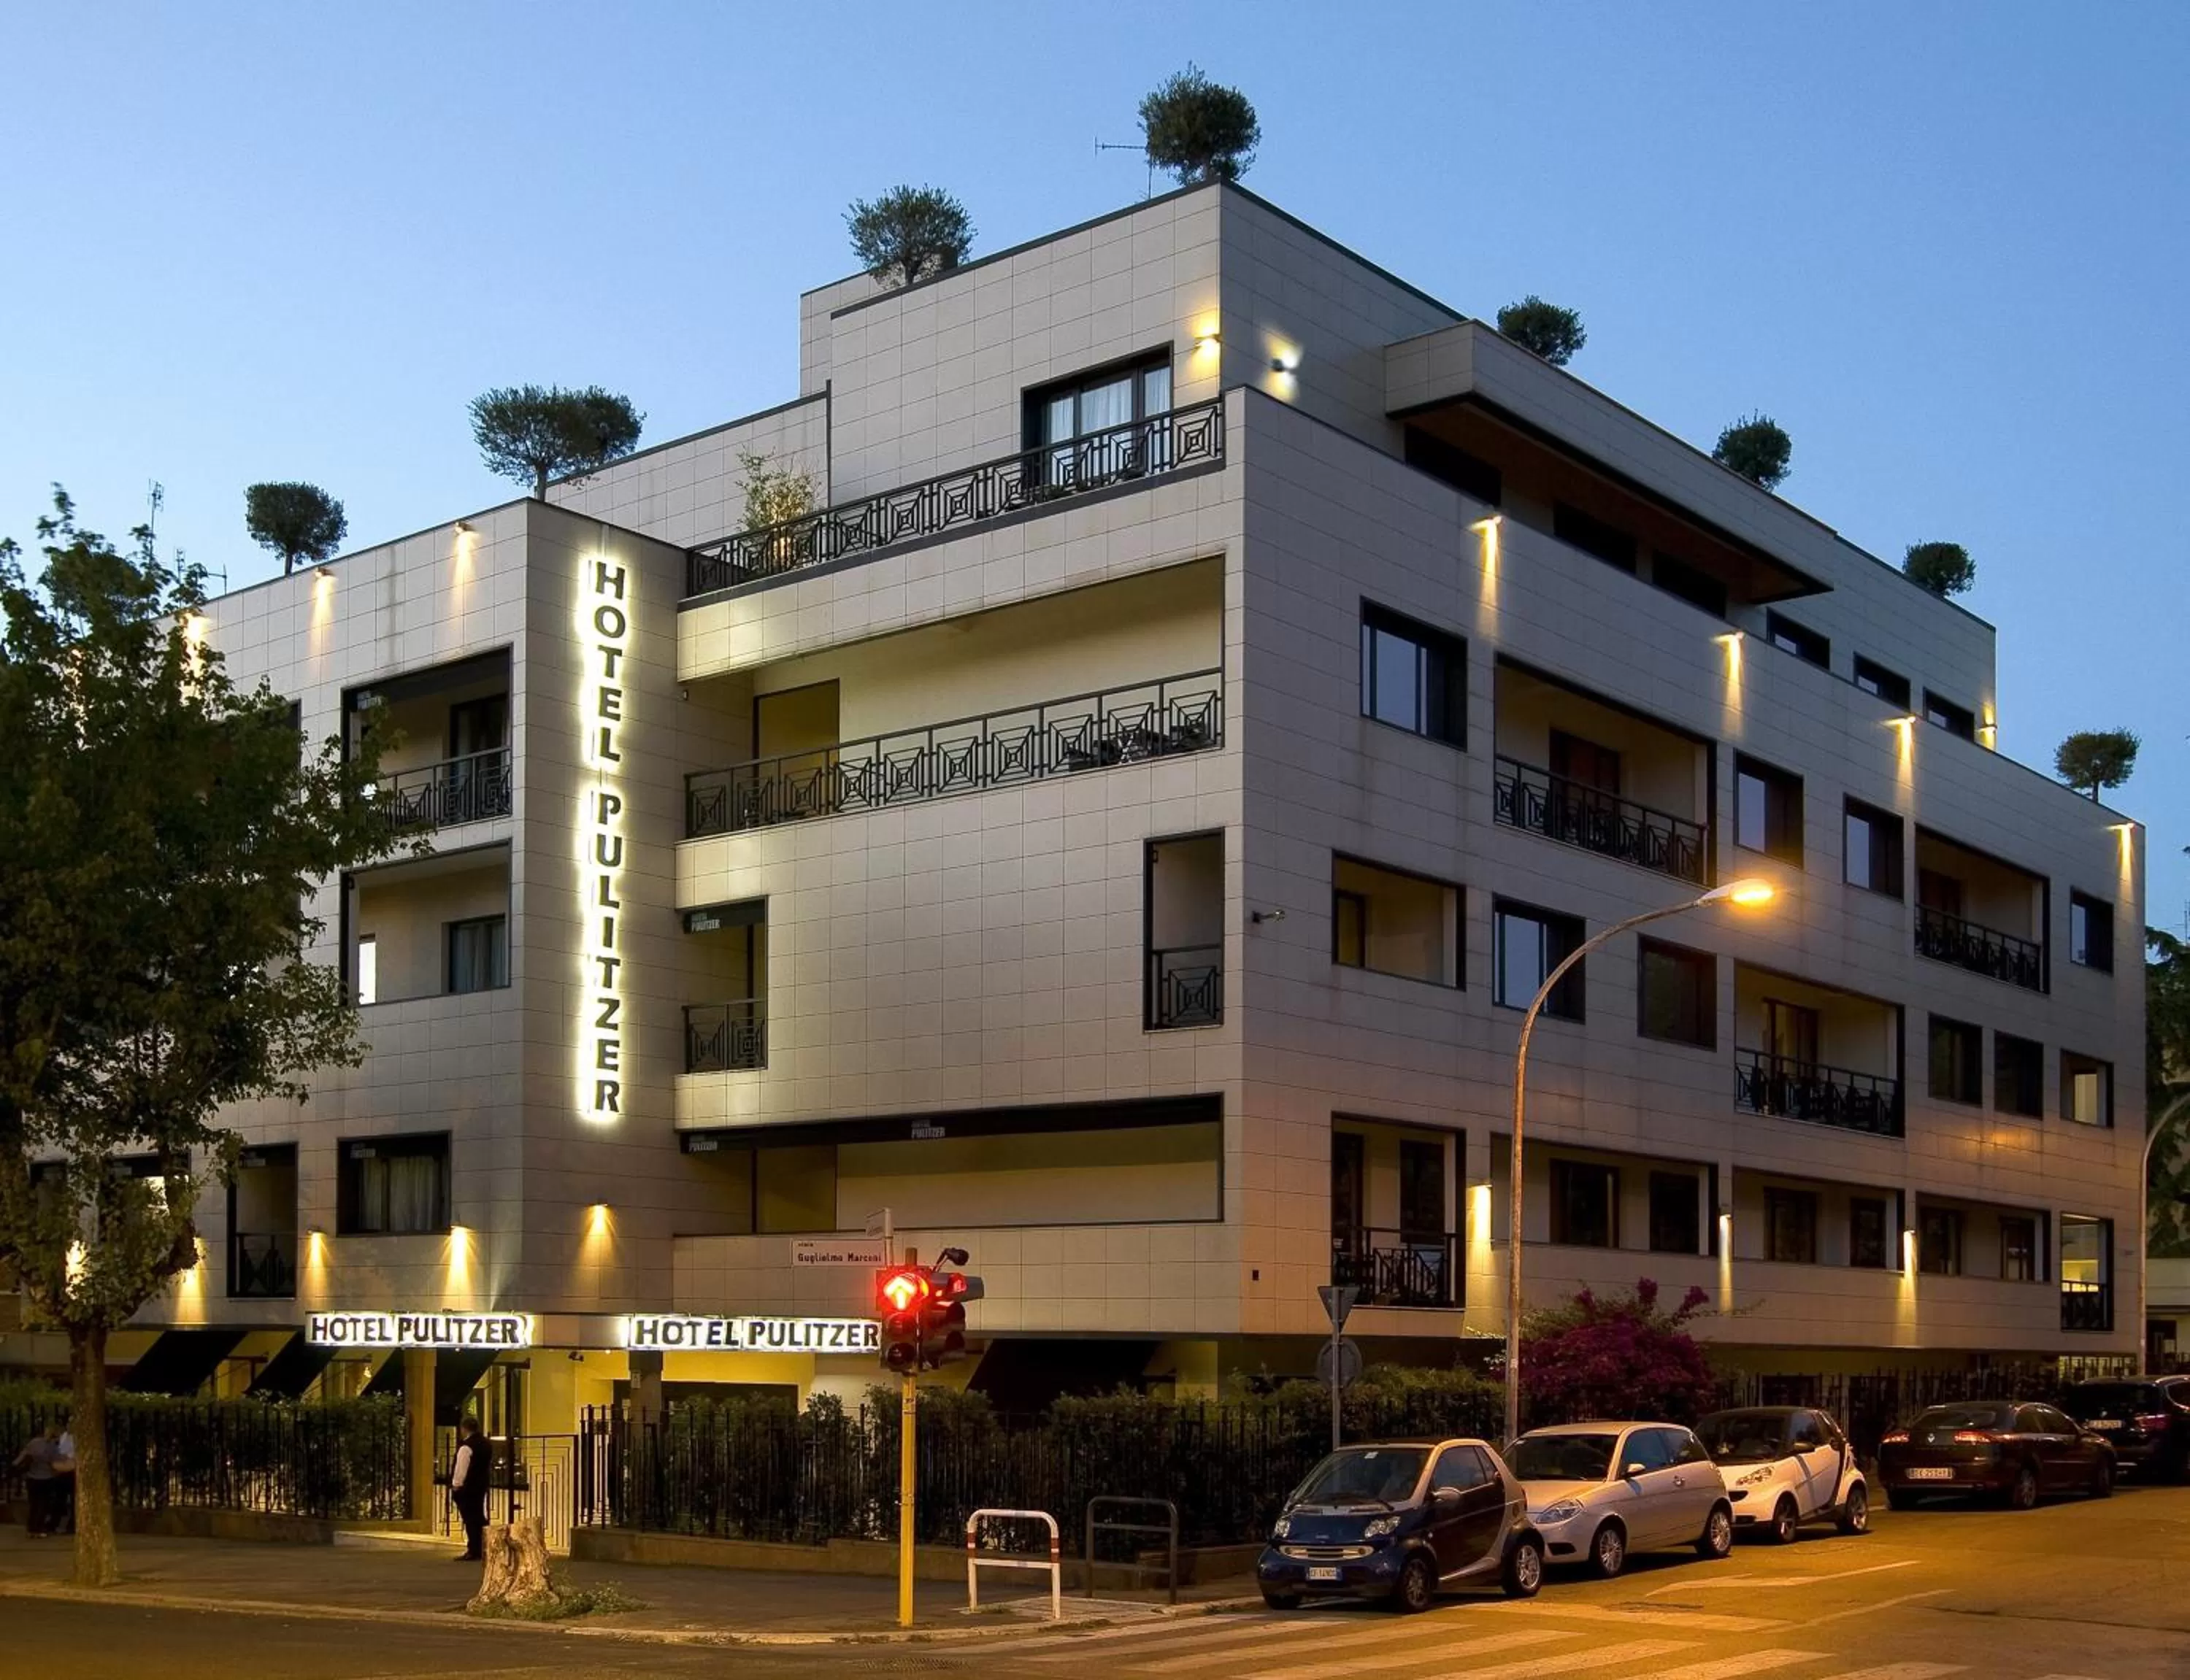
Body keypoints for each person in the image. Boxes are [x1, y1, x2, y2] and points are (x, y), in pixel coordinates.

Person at [449, 1415, 491, 1562]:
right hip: (481, 1486)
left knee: (470, 1519)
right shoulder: (486, 1444)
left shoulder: (466, 1447)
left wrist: (456, 1486)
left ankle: (474, 1549)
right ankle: (485, 1546)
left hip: (467, 1488)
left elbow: (461, 1469)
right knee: (479, 1517)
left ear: (464, 1429)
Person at [11, 1419, 64, 1537]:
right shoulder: (52, 1447)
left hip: (32, 1477)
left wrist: (15, 1466)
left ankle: (31, 1528)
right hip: (46, 1478)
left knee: (34, 1504)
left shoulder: (34, 1442)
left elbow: (22, 1456)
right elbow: (56, 1463)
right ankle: (39, 1528)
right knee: (43, 1504)